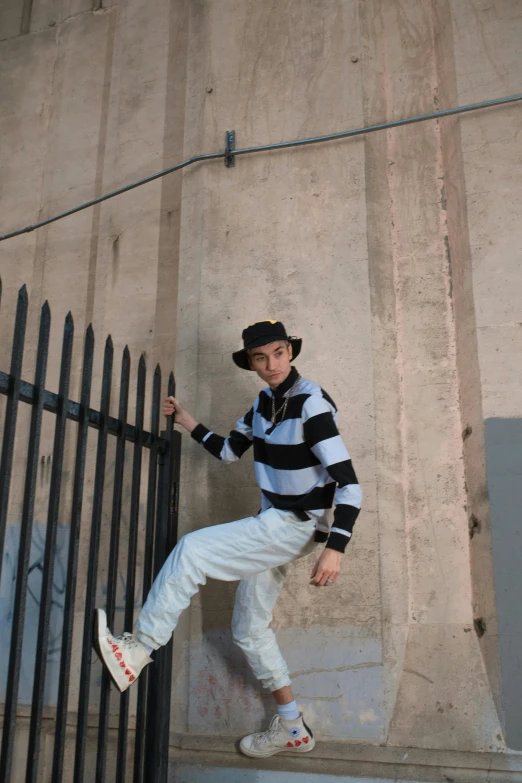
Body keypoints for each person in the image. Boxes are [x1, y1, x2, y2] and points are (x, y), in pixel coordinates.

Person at [94, 320, 362, 758]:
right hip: (275, 521)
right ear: (251, 363)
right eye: (261, 358)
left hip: (296, 524)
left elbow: (349, 485)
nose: (271, 364)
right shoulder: (261, 405)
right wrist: (186, 421)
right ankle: (293, 729)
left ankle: (138, 650)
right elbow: (227, 451)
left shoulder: (311, 404)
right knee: (250, 630)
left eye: (278, 353)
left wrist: (337, 547)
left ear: (290, 351)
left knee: (193, 550)